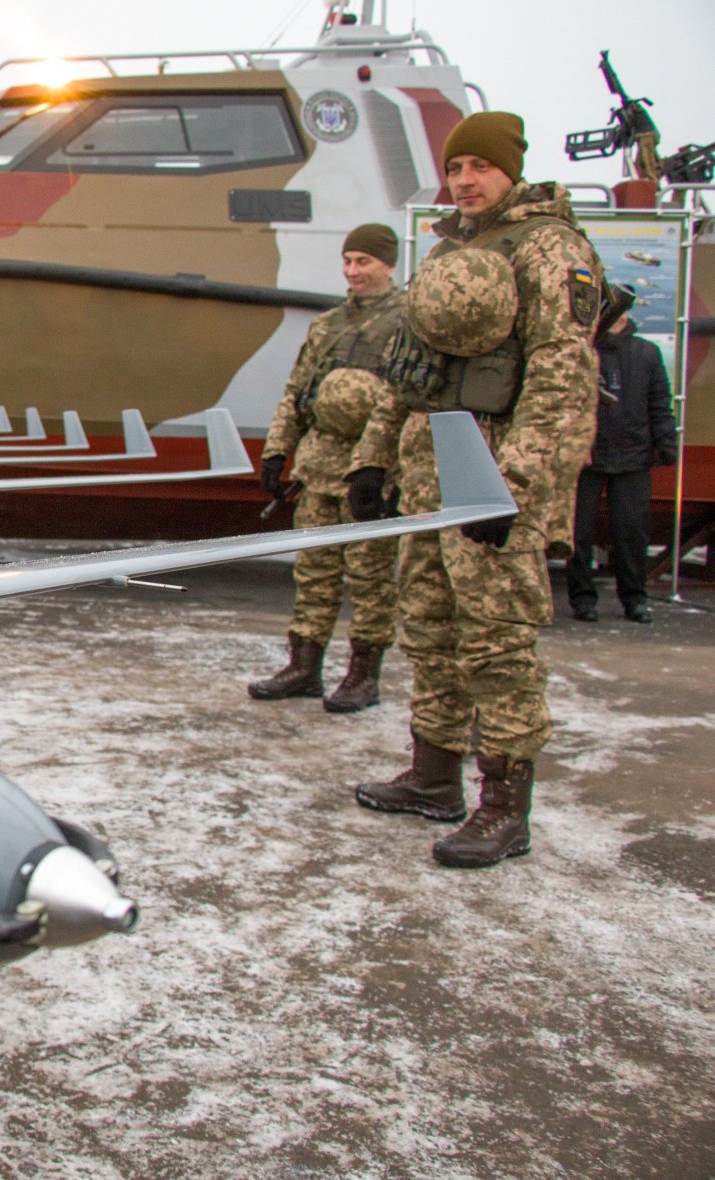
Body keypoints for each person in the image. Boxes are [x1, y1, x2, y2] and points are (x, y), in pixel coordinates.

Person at [346, 111, 600, 869]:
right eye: (455, 168)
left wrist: (507, 489)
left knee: (496, 638)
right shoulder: (450, 252)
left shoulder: (551, 249)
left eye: (480, 168)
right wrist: (372, 457)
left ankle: (503, 808)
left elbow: (561, 376)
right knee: (429, 625)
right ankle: (433, 776)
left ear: (509, 171)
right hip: (429, 462)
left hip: (490, 466)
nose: (464, 181)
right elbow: (408, 367)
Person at [249, 224, 403, 713]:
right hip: (317, 466)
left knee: (370, 576)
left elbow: (406, 399)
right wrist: (278, 450)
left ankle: (363, 675)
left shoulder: (408, 322)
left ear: (388, 263)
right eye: (349, 260)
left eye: (364, 261)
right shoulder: (328, 324)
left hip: (370, 470)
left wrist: (378, 467)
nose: (353, 271)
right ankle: (304, 667)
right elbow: (297, 391)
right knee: (314, 571)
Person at [566, 285, 678, 623]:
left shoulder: (645, 353)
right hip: (586, 455)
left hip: (632, 455)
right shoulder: (583, 351)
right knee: (577, 532)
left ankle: (634, 598)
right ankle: (583, 599)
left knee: (631, 532)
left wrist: (666, 441)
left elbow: (660, 403)